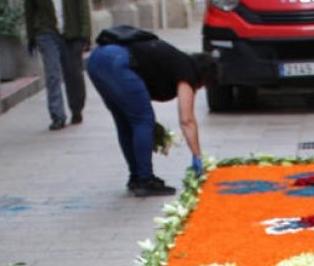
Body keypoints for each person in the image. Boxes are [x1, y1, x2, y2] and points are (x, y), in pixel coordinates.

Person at [86, 28, 217, 196]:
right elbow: (187, 119)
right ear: (203, 77)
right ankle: (145, 180)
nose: (198, 90)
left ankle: (136, 176)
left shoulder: (176, 60)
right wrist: (197, 156)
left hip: (97, 59)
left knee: (125, 121)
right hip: (118, 62)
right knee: (143, 120)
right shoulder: (188, 70)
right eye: (202, 86)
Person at [23, 0, 92, 131]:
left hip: (72, 30)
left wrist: (85, 33)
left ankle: (76, 108)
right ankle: (57, 115)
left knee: (73, 74)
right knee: (52, 73)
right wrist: (31, 35)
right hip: (46, 30)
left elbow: (82, 3)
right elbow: (29, 6)